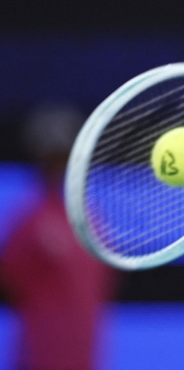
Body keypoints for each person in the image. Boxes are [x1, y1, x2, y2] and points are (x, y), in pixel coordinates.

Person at [0, 105, 118, 370]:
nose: (59, 165)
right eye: (52, 156)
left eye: (65, 156)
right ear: (39, 160)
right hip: (39, 359)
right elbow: (11, 283)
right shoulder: (27, 223)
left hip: (87, 357)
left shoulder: (94, 222)